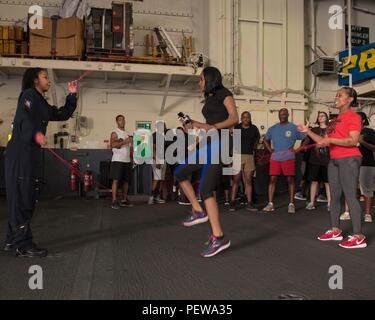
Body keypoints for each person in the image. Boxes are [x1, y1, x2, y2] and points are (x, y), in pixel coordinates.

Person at [4, 68, 77, 258]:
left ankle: (12, 240)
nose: (49, 80)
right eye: (45, 76)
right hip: (21, 153)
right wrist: (35, 134)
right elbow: (23, 118)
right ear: (35, 80)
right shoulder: (28, 95)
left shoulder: (41, 102)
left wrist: (72, 95)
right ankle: (23, 244)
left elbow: (61, 114)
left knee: (21, 195)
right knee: (23, 197)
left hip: (28, 154)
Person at [174, 66, 239, 258]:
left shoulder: (224, 93)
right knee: (179, 172)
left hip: (221, 143)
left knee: (205, 189)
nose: (199, 82)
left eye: (201, 79)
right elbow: (207, 127)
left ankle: (218, 236)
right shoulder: (209, 97)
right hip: (209, 142)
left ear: (209, 79)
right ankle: (197, 210)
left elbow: (233, 118)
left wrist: (211, 127)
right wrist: (192, 127)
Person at [298, 87, 367, 249]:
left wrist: (332, 141)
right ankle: (335, 230)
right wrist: (307, 130)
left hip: (349, 158)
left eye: (340, 95)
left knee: (350, 196)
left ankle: (358, 236)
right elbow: (323, 141)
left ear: (350, 99)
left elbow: (352, 141)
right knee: (334, 197)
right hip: (334, 159)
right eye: (336, 94)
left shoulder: (354, 117)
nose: (336, 97)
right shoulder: (334, 120)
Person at [263, 108, 305, 213]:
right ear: (278, 115)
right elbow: (265, 139)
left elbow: (306, 137)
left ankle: (291, 204)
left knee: (290, 180)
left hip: (288, 157)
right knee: (272, 179)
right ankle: (270, 203)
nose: (282, 116)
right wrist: (270, 150)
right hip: (275, 157)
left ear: (288, 115)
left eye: (284, 114)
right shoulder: (273, 128)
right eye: (281, 114)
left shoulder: (293, 127)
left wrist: (299, 148)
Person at [340, 112, 375, 223]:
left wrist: (361, 141)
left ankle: (368, 214)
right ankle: (347, 212)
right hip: (351, 163)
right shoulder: (350, 132)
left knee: (367, 189)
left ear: (363, 120)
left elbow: (374, 148)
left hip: (366, 163)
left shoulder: (369, 132)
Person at [230, 111, 260, 212]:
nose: (246, 119)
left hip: (249, 156)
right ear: (241, 119)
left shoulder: (254, 128)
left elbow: (257, 137)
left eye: (248, 117)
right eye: (244, 117)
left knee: (248, 180)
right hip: (237, 156)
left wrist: (254, 147)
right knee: (236, 180)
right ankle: (233, 202)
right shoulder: (237, 127)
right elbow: (233, 141)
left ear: (250, 118)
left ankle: (249, 203)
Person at [305, 111, 331, 211]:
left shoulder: (330, 130)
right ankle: (311, 202)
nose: (321, 117)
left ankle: (330, 203)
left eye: (323, 115)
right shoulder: (314, 130)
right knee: (314, 181)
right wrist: (306, 128)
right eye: (319, 116)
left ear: (327, 117)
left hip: (327, 160)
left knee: (328, 182)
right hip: (315, 160)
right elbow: (305, 138)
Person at [110, 115, 134, 210]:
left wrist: (133, 158)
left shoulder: (128, 133)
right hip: (117, 160)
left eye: (123, 120)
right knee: (116, 180)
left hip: (127, 160)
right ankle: (114, 201)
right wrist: (125, 141)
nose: (122, 121)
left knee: (126, 181)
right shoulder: (115, 133)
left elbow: (130, 148)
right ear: (117, 122)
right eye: (120, 120)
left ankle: (124, 200)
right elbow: (113, 145)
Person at [148, 122, 168, 205]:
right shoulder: (155, 135)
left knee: (161, 179)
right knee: (157, 178)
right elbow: (153, 148)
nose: (163, 127)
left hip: (163, 159)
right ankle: (151, 197)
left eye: (164, 126)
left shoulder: (163, 136)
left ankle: (157, 197)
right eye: (161, 126)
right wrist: (157, 160)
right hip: (157, 159)